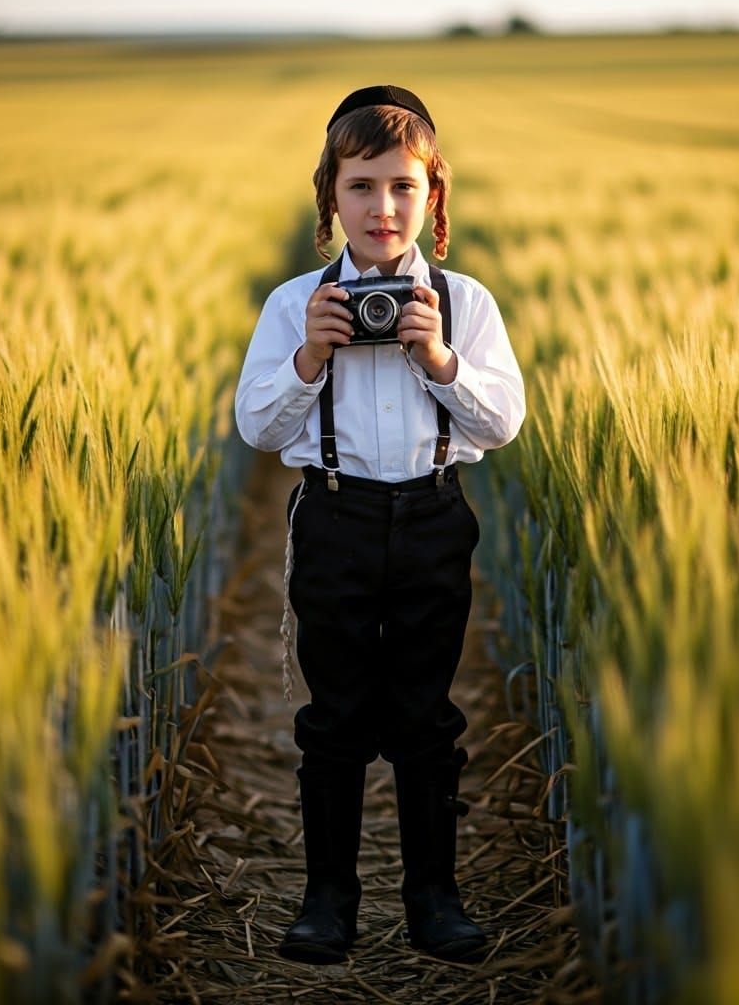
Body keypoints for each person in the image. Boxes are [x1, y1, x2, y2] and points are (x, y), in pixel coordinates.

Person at [234, 84, 525, 966]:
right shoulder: (296, 303)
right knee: (335, 719)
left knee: (427, 717)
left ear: (433, 196)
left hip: (434, 517)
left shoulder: (465, 303)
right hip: (335, 518)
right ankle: (330, 899)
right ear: (330, 197)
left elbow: (501, 423)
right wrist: (308, 357)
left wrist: (439, 361)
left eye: (403, 186)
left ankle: (435, 897)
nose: (382, 207)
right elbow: (258, 427)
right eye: (360, 187)